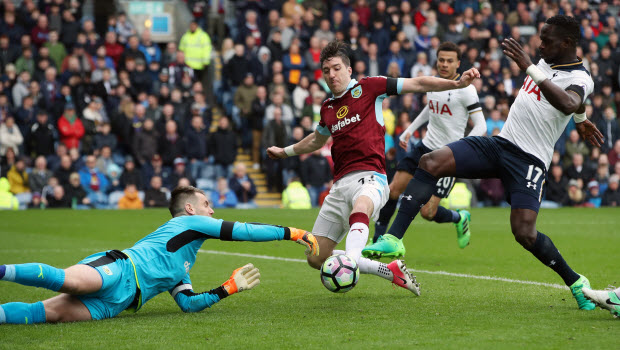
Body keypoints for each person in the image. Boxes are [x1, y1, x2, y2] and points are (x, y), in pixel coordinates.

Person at [379, 16, 603, 309]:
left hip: (529, 161)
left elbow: (570, 101)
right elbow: (575, 107)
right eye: (541, 38)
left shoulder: (581, 77)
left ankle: (575, 281)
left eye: (547, 40)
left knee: (524, 233)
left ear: (568, 43)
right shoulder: (546, 61)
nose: (540, 44)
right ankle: (393, 238)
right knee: (431, 161)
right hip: (501, 144)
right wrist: (581, 119)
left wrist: (571, 107)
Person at [267, 40, 479, 294]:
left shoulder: (370, 87)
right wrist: (285, 151)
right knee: (315, 256)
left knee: (362, 207)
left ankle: (354, 262)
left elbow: (419, 84)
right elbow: (316, 139)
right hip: (340, 186)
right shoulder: (327, 108)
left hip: (371, 177)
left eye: (336, 68)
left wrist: (456, 83)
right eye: (326, 71)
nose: (331, 75)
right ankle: (388, 270)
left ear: (348, 69)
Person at [0, 186, 319, 324]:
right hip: (121, 268)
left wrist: (228, 288)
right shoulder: (188, 222)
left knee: (48, 314)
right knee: (67, 281)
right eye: (207, 204)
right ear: (191, 209)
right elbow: (245, 231)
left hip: (118, 303)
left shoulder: (186, 259)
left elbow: (188, 304)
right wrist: (293, 232)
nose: (213, 210)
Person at [363, 42, 487, 259]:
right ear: (436, 60)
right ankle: (378, 240)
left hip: (448, 156)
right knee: (393, 190)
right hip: (425, 147)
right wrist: (410, 129)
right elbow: (431, 108)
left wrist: (464, 148)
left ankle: (459, 218)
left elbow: (481, 126)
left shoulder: (466, 90)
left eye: (450, 61)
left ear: (458, 63)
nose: (445, 64)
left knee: (427, 212)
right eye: (441, 60)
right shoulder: (434, 82)